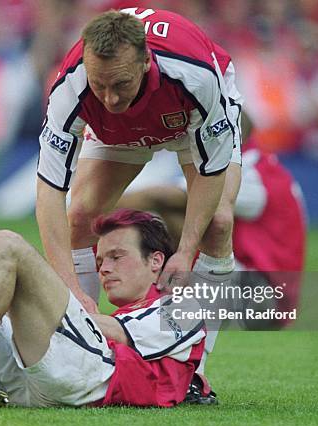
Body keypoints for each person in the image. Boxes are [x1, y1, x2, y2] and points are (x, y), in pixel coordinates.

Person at [0, 209, 212, 407]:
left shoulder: (187, 306)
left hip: (87, 379)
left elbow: (122, 333)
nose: (104, 268)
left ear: (156, 261)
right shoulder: (130, 313)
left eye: (117, 257)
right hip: (35, 372)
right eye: (101, 259)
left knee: (8, 245)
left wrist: (52, 299)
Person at [35, 8, 244, 317]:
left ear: (146, 61)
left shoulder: (195, 75)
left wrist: (185, 252)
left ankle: (194, 359)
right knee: (80, 216)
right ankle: (81, 341)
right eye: (99, 85)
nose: (110, 98)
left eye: (121, 83)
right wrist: (70, 288)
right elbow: (49, 193)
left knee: (217, 224)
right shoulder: (70, 86)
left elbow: (210, 169)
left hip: (187, 117)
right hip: (116, 129)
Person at [117, 138, 307, 330]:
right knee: (188, 218)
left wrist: (98, 212)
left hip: (264, 299)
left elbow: (162, 196)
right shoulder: (266, 167)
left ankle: (176, 301)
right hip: (272, 292)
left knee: (185, 215)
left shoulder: (250, 174)